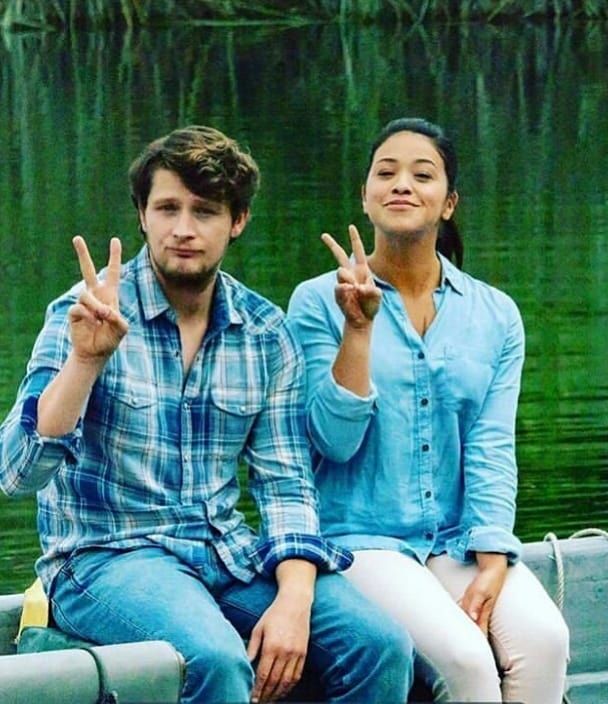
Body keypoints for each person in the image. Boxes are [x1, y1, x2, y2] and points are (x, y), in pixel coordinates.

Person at [0, 125, 414, 704]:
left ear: (236, 221)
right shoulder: (84, 312)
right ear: (142, 215)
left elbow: (287, 484)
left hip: (224, 552)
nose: (184, 229)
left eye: (205, 211)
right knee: (215, 661)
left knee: (379, 647)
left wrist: (294, 601)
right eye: (167, 208)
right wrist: (85, 361)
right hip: (103, 559)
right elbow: (17, 473)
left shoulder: (267, 333)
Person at [287, 117, 570, 703]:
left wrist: (493, 557)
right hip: (358, 538)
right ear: (365, 197)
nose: (402, 185)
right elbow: (329, 443)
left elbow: (492, 446)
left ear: (448, 203)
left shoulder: (495, 315)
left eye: (423, 175)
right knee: (468, 661)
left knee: (546, 640)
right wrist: (357, 329)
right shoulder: (317, 301)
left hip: (455, 540)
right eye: (385, 173)